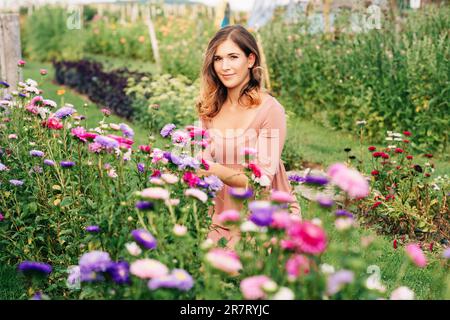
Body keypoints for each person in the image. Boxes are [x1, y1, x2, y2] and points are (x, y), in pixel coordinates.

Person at [195, 25, 301, 247]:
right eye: (218, 59)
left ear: (250, 59)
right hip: (219, 214)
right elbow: (198, 159)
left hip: (264, 217)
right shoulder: (209, 108)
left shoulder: (270, 110)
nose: (225, 66)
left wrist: (212, 168)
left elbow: (260, 181)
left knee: (238, 271)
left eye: (233, 57)